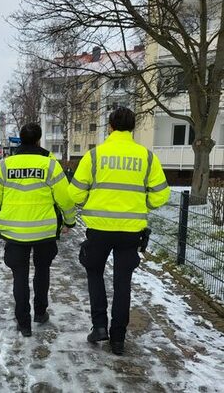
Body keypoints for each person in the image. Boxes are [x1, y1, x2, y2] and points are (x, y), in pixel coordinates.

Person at [68, 107, 170, 355]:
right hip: (130, 232)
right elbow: (161, 195)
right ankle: (118, 338)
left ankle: (99, 326)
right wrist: (141, 203)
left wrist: (92, 199)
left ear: (110, 127)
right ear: (132, 128)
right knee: (123, 282)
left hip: (99, 230)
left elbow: (74, 194)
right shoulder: (146, 157)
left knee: (94, 274)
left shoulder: (94, 156)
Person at [0, 123, 76, 337]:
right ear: (38, 140)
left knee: (20, 276)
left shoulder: (3, 166)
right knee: (42, 272)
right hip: (44, 232)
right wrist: (69, 222)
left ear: (21, 140)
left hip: (14, 233)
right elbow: (66, 199)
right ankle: (40, 312)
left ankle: (23, 322)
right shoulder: (50, 165)